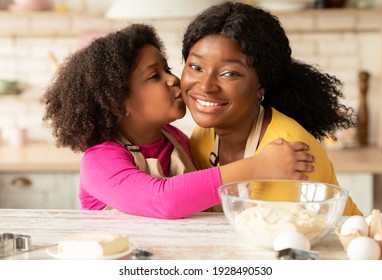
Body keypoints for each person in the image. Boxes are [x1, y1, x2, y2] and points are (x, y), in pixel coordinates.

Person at [40, 23, 315, 219]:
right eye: (154, 76)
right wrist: (259, 166)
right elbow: (165, 200)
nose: (173, 79)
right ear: (117, 103)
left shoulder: (177, 141)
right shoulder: (100, 161)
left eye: (167, 68)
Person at [180, 1, 362, 216]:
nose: (205, 86)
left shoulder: (292, 153)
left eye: (230, 73)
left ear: (261, 85)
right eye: (195, 67)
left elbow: (295, 241)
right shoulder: (202, 137)